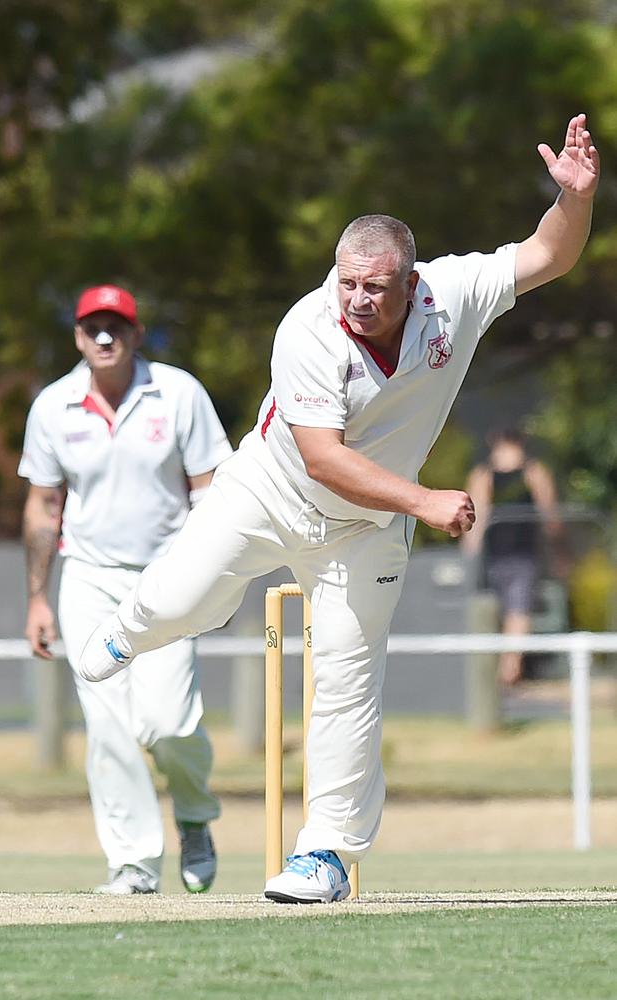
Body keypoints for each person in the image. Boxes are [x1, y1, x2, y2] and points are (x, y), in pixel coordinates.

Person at [78, 114, 599, 903]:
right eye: (345, 280)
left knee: (350, 678)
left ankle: (323, 855)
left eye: (374, 286)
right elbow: (324, 458)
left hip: (363, 532)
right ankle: (131, 627)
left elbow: (549, 254)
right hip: (270, 489)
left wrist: (574, 200)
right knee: (180, 601)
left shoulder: (452, 294)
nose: (355, 299)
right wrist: (423, 497)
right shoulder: (307, 329)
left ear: (412, 281)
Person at [18, 283, 233, 895]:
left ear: (137, 334)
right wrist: (37, 597)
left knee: (166, 723)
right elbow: (42, 507)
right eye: (92, 328)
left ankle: (194, 813)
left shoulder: (179, 392)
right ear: (78, 337)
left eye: (117, 326)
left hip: (168, 578)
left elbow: (210, 491)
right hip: (87, 578)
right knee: (107, 725)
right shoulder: (54, 406)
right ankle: (134, 862)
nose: (105, 337)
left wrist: (210, 576)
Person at [462, 428, 563, 686]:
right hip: (507, 554)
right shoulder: (497, 474)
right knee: (513, 612)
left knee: (514, 611)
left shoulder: (524, 472)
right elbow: (551, 518)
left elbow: (475, 520)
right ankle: (506, 671)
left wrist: (468, 555)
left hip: (515, 554)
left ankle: (508, 672)